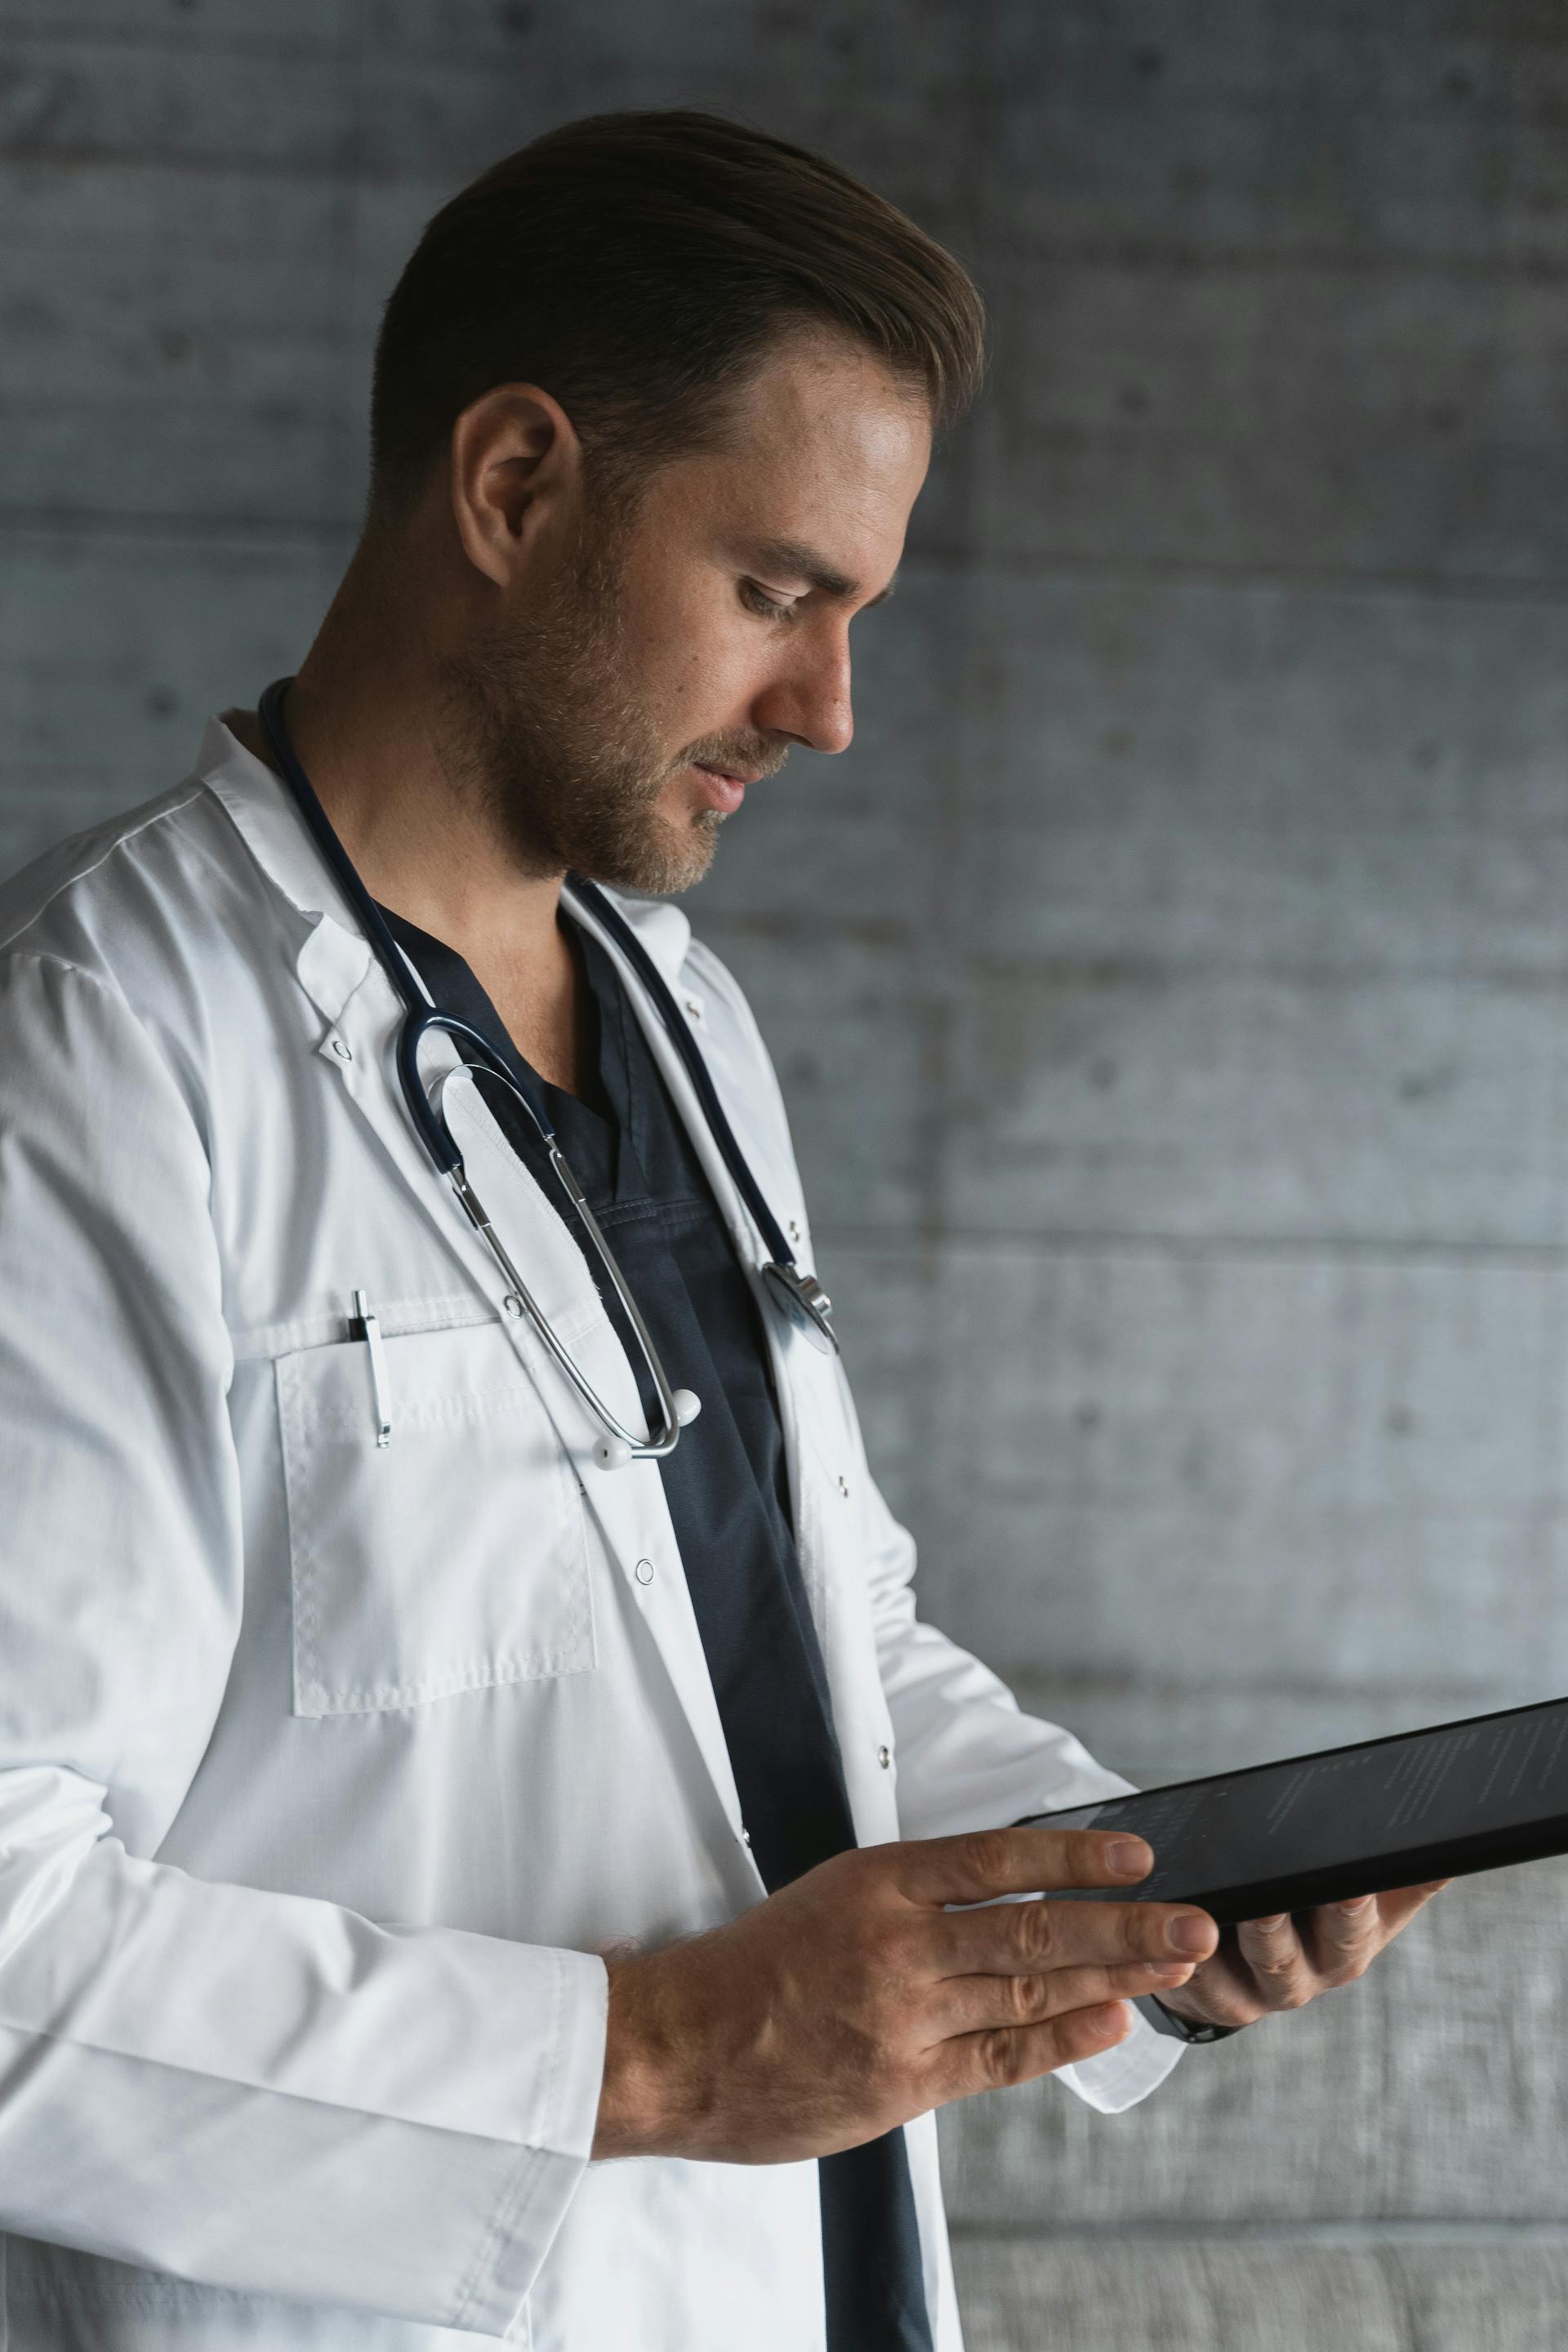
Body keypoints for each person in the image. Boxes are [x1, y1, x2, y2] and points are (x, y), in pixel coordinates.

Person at [0, 111, 1441, 2351]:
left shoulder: (679, 1014)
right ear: (511, 485)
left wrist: (1138, 1892)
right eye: (775, 592)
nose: (831, 713)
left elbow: (804, 1630)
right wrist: (657, 2057)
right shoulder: (100, 1050)